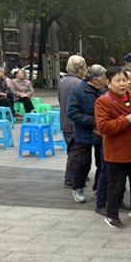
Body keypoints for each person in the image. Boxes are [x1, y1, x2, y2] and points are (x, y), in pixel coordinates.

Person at [95, 66, 131, 229]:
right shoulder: (103, 101)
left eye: (125, 80)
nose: (122, 84)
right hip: (117, 151)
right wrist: (126, 120)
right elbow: (103, 127)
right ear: (108, 83)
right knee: (116, 186)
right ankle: (112, 215)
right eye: (117, 80)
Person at [66, 64, 107, 204]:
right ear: (95, 79)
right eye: (104, 78)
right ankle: (78, 188)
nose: (106, 81)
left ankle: (98, 188)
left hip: (101, 134)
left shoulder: (104, 91)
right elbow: (72, 112)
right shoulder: (78, 91)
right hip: (84, 134)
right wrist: (94, 121)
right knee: (83, 163)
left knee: (102, 162)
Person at [59, 55, 88, 188]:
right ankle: (70, 179)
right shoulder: (78, 83)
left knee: (73, 150)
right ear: (79, 68)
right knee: (75, 152)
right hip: (74, 123)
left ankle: (76, 175)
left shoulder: (64, 81)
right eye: (84, 67)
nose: (85, 70)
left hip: (65, 121)